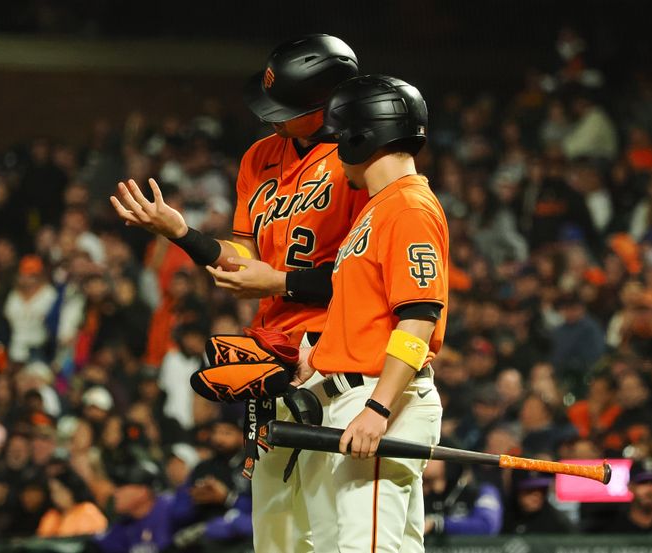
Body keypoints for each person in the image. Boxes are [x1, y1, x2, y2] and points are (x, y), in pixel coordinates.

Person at [110, 34, 366, 553]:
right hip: (270, 353)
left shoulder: (360, 159)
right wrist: (183, 235)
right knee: (272, 524)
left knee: (330, 524)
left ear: (327, 104)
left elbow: (368, 275)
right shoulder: (259, 156)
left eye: (287, 108)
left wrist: (281, 282)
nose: (271, 117)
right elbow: (246, 262)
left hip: (334, 356)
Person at [294, 75, 446, 552]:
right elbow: (368, 314)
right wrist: (317, 364)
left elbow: (420, 314)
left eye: (338, 138)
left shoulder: (408, 207)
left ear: (360, 138)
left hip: (379, 402)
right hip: (352, 397)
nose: (335, 151)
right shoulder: (379, 207)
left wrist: (379, 408)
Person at [502, 470, 575, 534]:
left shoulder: (558, 522)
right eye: (530, 489)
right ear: (516, 490)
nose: (537, 494)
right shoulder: (501, 517)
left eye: (542, 489)